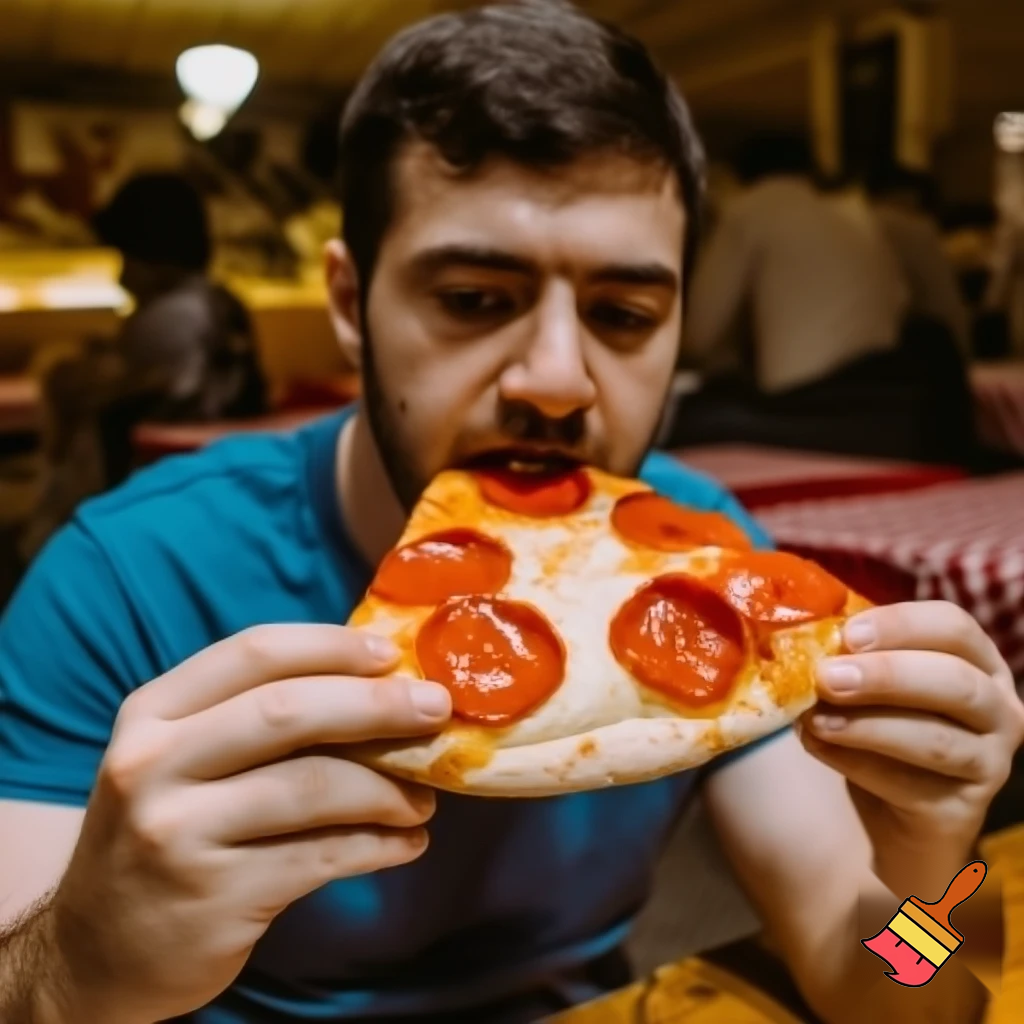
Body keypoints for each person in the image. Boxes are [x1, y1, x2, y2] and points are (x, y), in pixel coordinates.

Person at [0, 6, 1020, 1024]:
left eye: (623, 315)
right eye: (476, 299)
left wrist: (930, 859)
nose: (557, 380)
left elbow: (904, 1000)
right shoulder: (122, 579)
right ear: (352, 306)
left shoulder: (711, 571)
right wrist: (69, 968)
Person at [93, 172, 269, 483]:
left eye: (127, 257)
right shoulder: (220, 301)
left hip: (168, 483)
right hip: (223, 474)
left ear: (151, 254)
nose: (121, 277)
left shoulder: (168, 317)